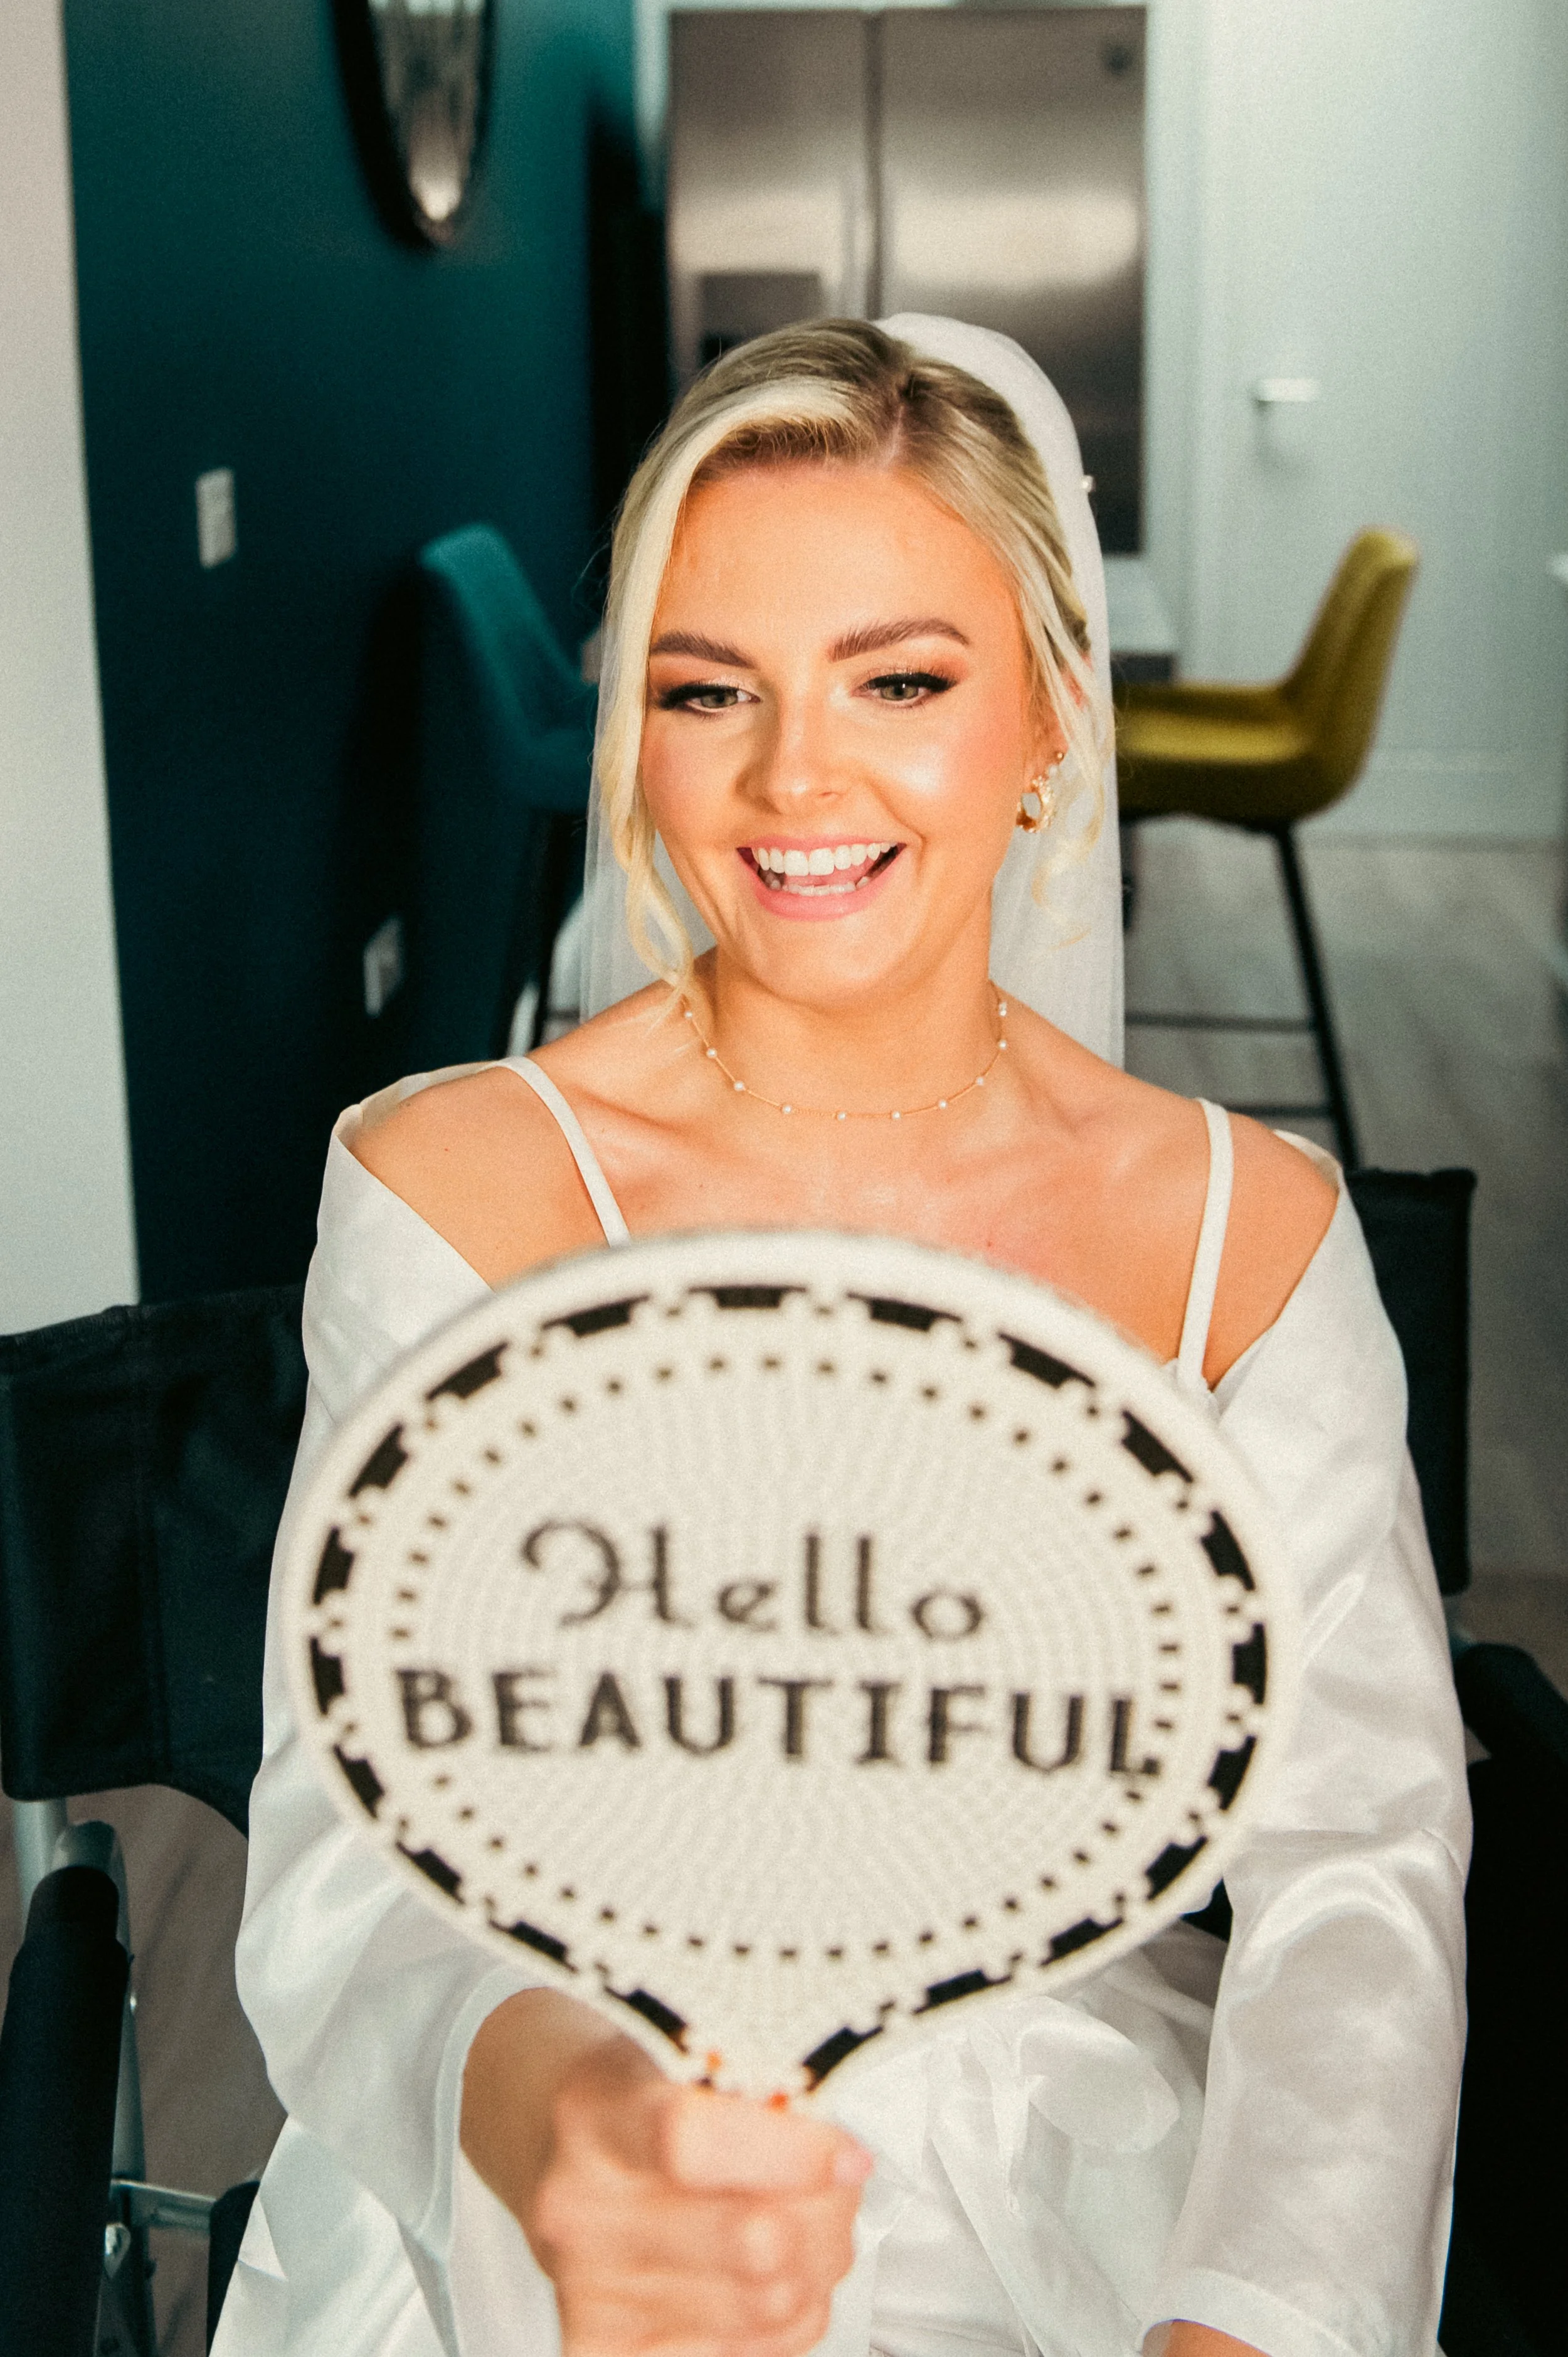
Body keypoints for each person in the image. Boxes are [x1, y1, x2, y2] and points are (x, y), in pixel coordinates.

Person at [218, 319, 1468, 2357]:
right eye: (711, 690)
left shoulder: (1252, 1238)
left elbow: (1358, 1862)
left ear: (1057, 711)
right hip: (553, 2184)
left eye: (900, 678)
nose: (796, 777)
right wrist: (568, 2136)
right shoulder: (455, 1192)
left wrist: (1250, 2317)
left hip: (1088, 2194)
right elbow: (358, 1850)